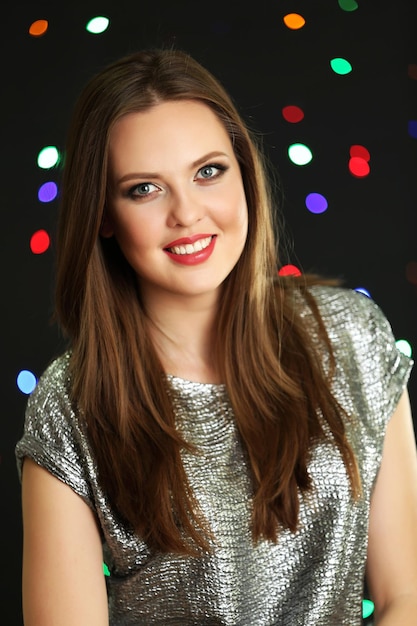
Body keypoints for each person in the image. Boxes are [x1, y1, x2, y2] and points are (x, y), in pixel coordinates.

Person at [15, 47, 417, 625]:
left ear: (245, 172)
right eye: (144, 189)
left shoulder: (351, 334)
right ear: (103, 213)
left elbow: (406, 596)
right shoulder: (73, 402)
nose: (187, 214)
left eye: (209, 171)